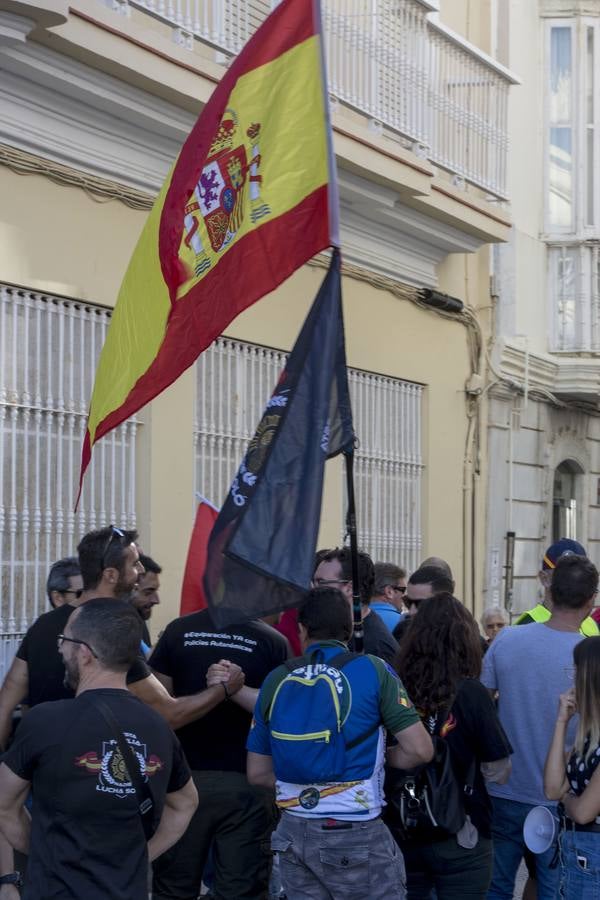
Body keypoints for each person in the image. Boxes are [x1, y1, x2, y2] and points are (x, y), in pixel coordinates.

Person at [0, 598, 198, 900]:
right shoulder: (158, 727)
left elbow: (4, 805)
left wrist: (45, 853)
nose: (59, 648)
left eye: (64, 640)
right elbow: (185, 803)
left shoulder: (44, 721)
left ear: (85, 652)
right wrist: (139, 856)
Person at [247, 586, 433, 900]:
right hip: (355, 830)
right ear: (350, 629)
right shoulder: (373, 670)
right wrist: (379, 756)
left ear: (302, 629)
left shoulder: (276, 679)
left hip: (292, 830)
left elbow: (258, 774)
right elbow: (420, 749)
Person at [0, 526, 242, 749]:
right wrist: (223, 689)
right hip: (93, 776)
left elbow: (5, 706)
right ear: (111, 575)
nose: (141, 571)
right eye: (135, 564)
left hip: (39, 776)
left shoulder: (43, 625)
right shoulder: (114, 630)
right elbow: (168, 714)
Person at [150, 604, 289, 900]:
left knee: (173, 886)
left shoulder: (178, 630)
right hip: (247, 782)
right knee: (241, 889)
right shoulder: (272, 640)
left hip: (182, 780)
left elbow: (157, 708)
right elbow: (283, 712)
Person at [482, 553, 599, 899]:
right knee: (556, 888)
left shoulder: (507, 639)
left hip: (505, 787)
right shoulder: (590, 656)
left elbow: (481, 704)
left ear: (548, 591)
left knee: (497, 886)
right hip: (565, 794)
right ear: (591, 600)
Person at [386, 593, 512, 899]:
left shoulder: (393, 686)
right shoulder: (472, 692)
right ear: (465, 637)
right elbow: (498, 770)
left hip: (403, 828)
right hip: (462, 831)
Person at [545, 636, 600, 898]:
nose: (572, 679)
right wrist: (561, 722)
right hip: (578, 856)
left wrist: (568, 800)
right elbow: (552, 789)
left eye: (576, 671)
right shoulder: (588, 735)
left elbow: (584, 812)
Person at [313, 547, 399, 664]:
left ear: (349, 588)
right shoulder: (336, 630)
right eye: (313, 582)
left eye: (321, 582)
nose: (313, 589)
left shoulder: (376, 647)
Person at [514, 538, 598, 636]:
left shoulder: (591, 623)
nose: (574, 582)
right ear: (544, 578)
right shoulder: (525, 625)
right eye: (563, 575)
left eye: (580, 576)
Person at [392, 566, 455, 643]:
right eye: (408, 602)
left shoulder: (463, 638)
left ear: (444, 602)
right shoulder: (403, 631)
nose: (412, 611)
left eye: (420, 603)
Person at [132, 553, 162, 652]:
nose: (156, 600)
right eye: (148, 592)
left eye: (156, 591)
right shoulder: (114, 629)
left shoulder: (137, 621)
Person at [370, 562, 408, 632]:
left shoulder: (351, 620)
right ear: (389, 592)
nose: (405, 595)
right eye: (403, 590)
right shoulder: (404, 624)